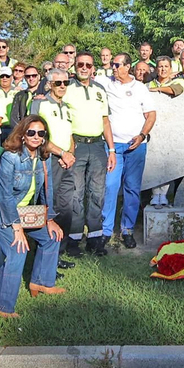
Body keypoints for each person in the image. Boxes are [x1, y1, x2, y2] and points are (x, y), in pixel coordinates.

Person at [0, 116, 65, 318]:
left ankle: (42, 282)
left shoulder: (44, 157)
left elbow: (47, 188)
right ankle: (1, 306)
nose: (36, 137)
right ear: (23, 135)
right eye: (31, 132)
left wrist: (49, 218)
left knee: (52, 236)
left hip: (22, 209)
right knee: (18, 249)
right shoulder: (11, 156)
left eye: (41, 133)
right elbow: (6, 194)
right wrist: (16, 228)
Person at [61, 53, 115, 255]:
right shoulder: (67, 88)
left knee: (97, 192)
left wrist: (111, 150)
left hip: (98, 145)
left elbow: (106, 121)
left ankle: (94, 238)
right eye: (80, 64)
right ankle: (74, 238)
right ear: (75, 66)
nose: (84, 67)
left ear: (93, 68)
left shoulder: (100, 90)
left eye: (88, 65)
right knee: (75, 192)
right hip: (77, 144)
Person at [100, 54, 156, 248]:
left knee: (132, 188)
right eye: (112, 65)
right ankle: (106, 230)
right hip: (113, 146)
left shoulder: (139, 88)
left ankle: (127, 229)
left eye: (117, 65)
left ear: (127, 67)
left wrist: (142, 135)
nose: (113, 68)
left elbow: (151, 115)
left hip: (136, 146)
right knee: (110, 186)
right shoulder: (106, 83)